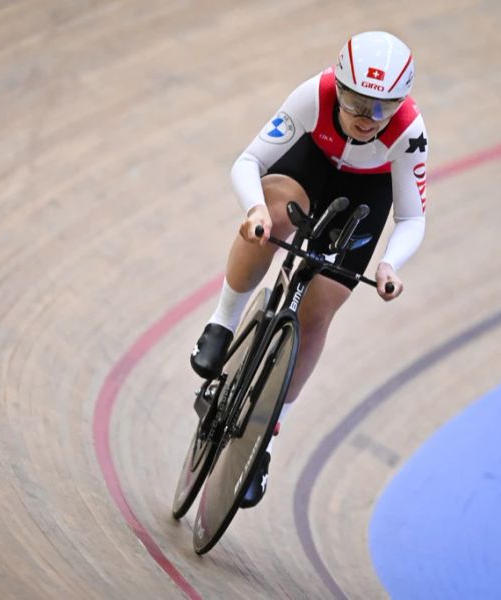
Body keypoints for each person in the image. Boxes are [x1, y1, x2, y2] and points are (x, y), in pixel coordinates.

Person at [190, 31, 429, 507]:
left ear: (399, 104)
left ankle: (266, 440)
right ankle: (223, 320)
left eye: (380, 108)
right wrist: (255, 209)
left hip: (367, 192)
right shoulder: (313, 96)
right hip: (311, 166)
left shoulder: (408, 131)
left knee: (320, 308)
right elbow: (248, 161)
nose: (366, 118)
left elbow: (411, 217)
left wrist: (389, 264)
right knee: (273, 219)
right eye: (356, 101)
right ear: (337, 87)